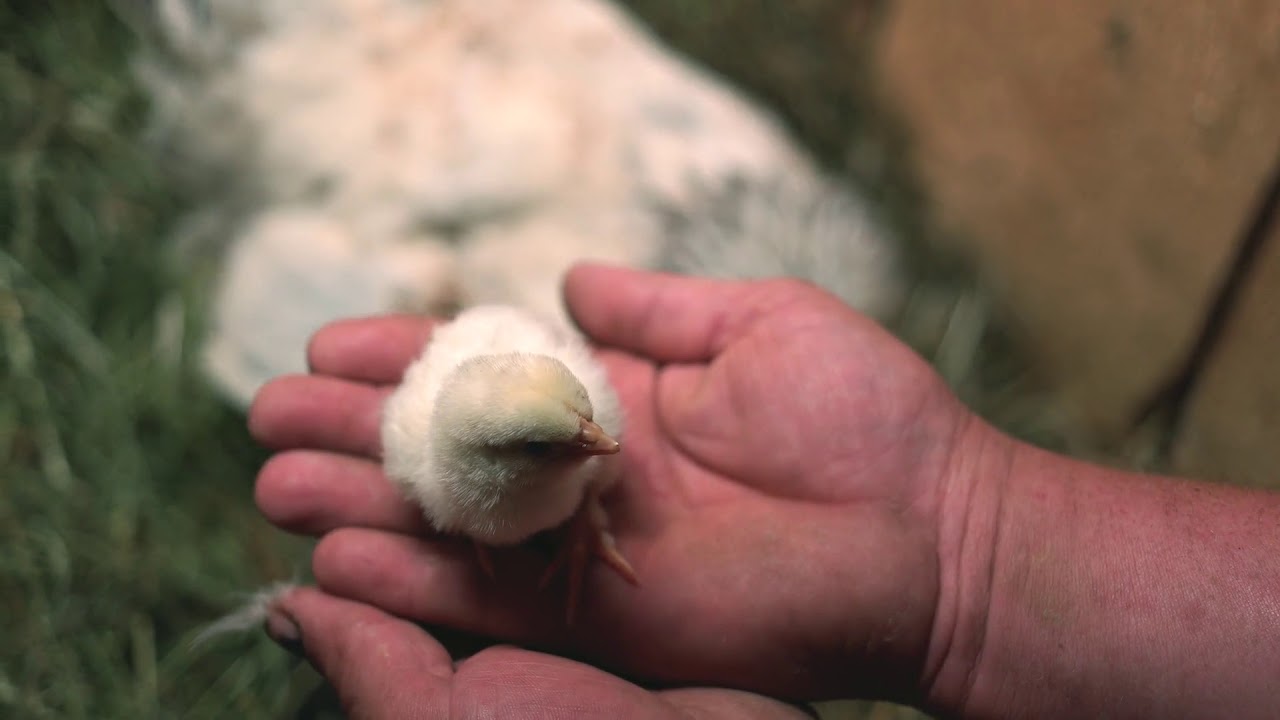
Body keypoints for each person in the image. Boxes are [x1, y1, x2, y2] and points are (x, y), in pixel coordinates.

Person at [248, 264, 1280, 719]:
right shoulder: (428, 457)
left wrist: (589, 490)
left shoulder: (580, 429)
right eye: (570, 447)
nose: (604, 442)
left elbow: (584, 431)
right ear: (495, 456)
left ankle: (575, 524)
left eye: (592, 434)